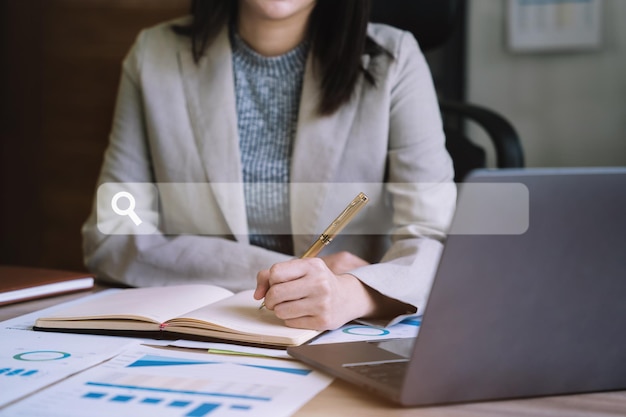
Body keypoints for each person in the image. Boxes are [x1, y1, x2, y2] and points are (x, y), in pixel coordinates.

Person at [82, 0, 456, 331]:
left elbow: (434, 238)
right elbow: (113, 235)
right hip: (206, 326)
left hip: (341, 333)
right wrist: (289, 273)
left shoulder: (396, 59)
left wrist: (355, 294)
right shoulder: (154, 54)